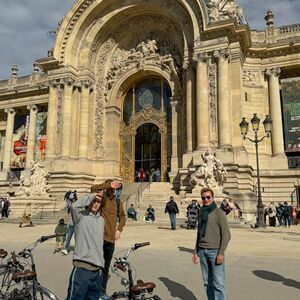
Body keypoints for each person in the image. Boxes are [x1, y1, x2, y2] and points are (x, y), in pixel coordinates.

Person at [192, 187, 231, 300]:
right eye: (203, 198)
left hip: (215, 252)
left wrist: (221, 253)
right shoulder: (201, 212)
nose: (206, 199)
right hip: (202, 251)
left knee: (218, 283)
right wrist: (196, 252)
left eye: (208, 197)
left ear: (213, 197)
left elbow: (226, 235)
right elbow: (199, 234)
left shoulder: (219, 213)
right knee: (207, 282)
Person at [91, 180, 126, 300]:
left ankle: (102, 291)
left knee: (106, 267)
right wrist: (107, 185)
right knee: (96, 265)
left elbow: (122, 216)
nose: (112, 190)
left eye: (113, 188)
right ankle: (93, 289)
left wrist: (119, 229)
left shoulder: (117, 201)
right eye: (110, 188)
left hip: (111, 240)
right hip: (100, 238)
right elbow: (93, 188)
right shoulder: (103, 199)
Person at [66, 193, 104, 299]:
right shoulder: (80, 217)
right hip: (82, 268)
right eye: (94, 201)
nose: (96, 204)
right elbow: (73, 206)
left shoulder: (102, 220)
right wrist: (92, 196)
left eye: (98, 202)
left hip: (98, 269)